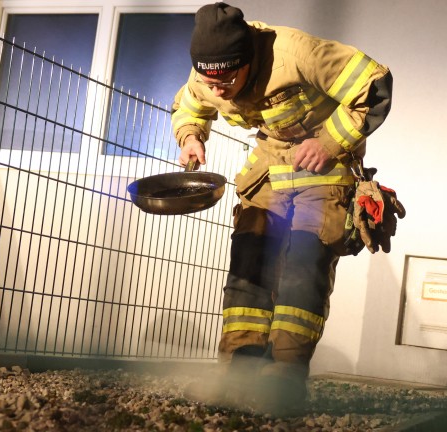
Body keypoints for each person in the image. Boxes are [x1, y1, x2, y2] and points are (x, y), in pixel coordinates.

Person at [171, 2, 402, 415]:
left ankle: (283, 380)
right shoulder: (208, 74)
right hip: (270, 167)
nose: (218, 90)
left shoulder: (295, 53)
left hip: (325, 167)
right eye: (210, 80)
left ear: (247, 60)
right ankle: (237, 374)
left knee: (303, 266)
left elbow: (375, 86)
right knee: (249, 259)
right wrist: (191, 135)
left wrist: (329, 141)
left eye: (226, 80)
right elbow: (192, 104)